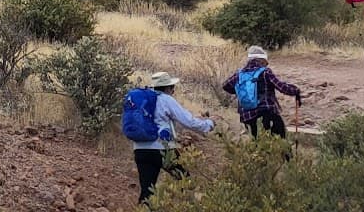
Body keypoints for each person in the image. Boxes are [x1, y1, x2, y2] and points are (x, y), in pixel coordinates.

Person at [129, 71, 213, 206]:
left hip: (140, 149)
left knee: (147, 192)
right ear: (168, 88)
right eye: (172, 88)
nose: (173, 90)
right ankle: (184, 207)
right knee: (185, 180)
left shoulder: (141, 100)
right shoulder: (166, 99)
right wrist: (208, 125)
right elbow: (188, 121)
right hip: (163, 150)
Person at [222, 46, 301, 138]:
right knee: (280, 143)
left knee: (256, 146)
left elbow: (225, 85)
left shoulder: (239, 74)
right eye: (265, 62)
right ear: (261, 60)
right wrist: (295, 91)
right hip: (267, 114)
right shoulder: (265, 72)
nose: (266, 65)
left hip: (247, 117)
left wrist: (240, 92)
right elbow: (281, 87)